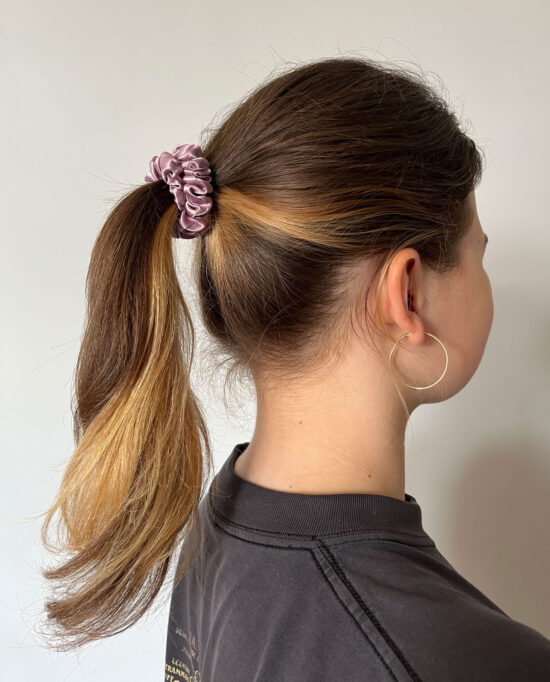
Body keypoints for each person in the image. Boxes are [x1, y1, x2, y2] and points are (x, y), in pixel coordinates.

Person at [40, 56, 550, 679]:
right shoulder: (477, 662)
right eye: (478, 254)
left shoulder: (224, 519)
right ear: (409, 296)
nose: (487, 283)